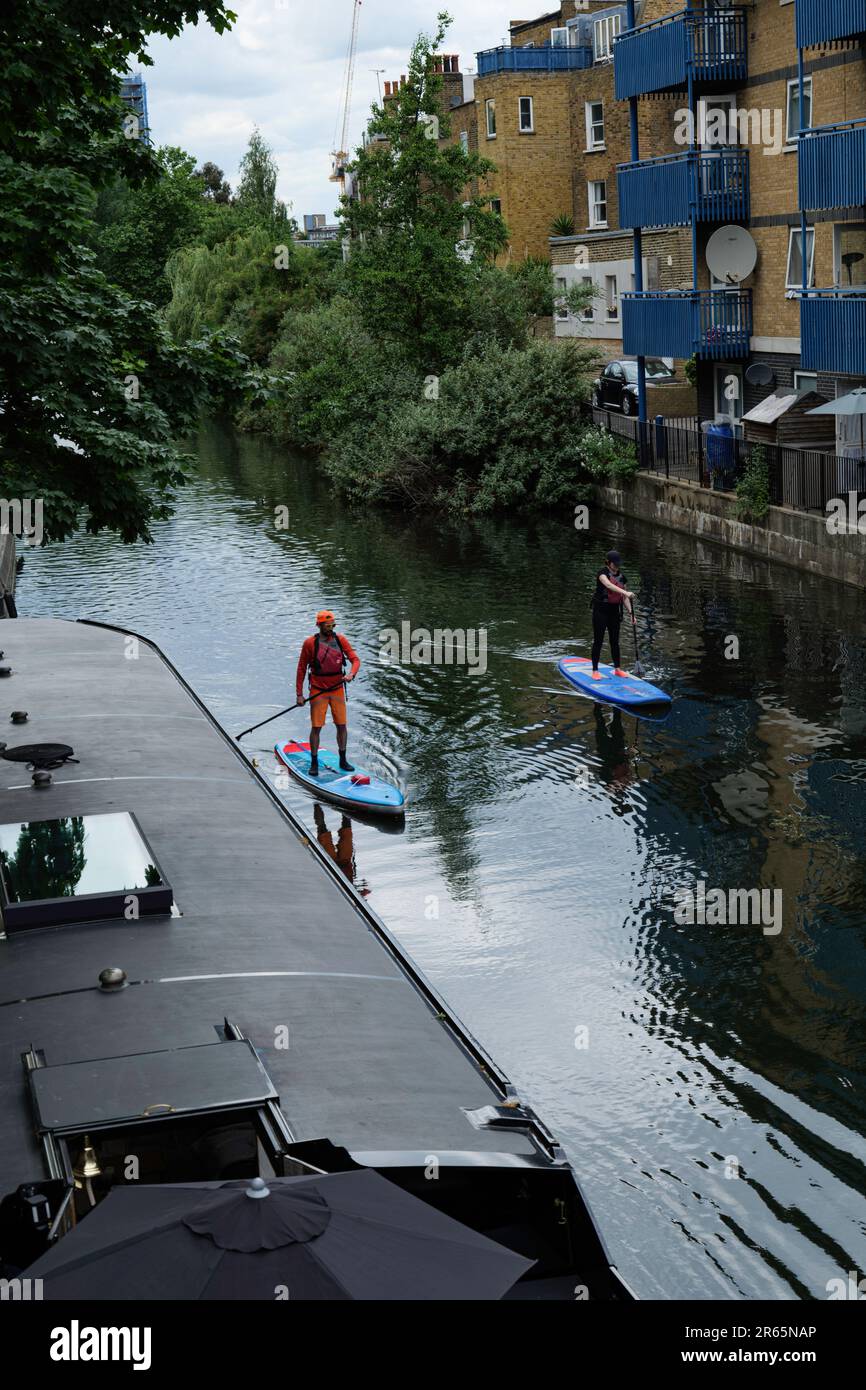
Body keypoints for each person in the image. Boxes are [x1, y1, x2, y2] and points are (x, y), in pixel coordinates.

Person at [296, 610, 361, 776]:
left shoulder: (340, 640)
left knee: (342, 725)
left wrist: (351, 674)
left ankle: (343, 759)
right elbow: (302, 668)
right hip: (318, 690)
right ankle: (314, 762)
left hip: (337, 688)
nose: (331, 628)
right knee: (316, 727)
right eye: (327, 625)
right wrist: (299, 694)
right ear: (319, 625)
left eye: (333, 625)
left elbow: (355, 660)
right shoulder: (310, 643)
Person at [591, 550, 635, 679]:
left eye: (618, 564)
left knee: (615, 641)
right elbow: (609, 585)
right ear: (608, 563)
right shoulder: (602, 574)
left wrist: (631, 613)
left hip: (614, 612)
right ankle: (595, 670)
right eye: (614, 564)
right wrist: (625, 592)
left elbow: (624, 597)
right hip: (600, 611)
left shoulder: (622, 577)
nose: (617, 566)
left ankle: (617, 669)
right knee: (598, 641)